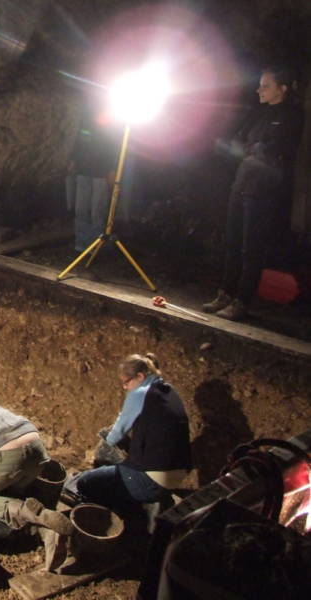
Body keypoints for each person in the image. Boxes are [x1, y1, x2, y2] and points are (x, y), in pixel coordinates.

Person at [203, 65, 304, 321]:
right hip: (241, 184)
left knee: (252, 248)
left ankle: (242, 301)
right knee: (233, 242)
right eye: (260, 84)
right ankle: (225, 293)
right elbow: (242, 142)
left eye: (266, 86)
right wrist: (253, 148)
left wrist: (254, 149)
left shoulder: (292, 116)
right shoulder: (259, 113)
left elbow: (274, 149)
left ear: (282, 89)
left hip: (263, 191)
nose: (259, 89)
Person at [74, 353, 191, 515]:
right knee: (119, 468)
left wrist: (108, 435)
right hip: (175, 476)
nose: (124, 387)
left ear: (140, 376)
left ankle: (112, 522)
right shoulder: (169, 390)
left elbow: (115, 436)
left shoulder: (140, 393)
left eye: (126, 382)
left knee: (86, 482)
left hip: (151, 480)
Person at [67, 106, 117, 252]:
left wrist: (112, 170)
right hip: (84, 171)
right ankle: (81, 244)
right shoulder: (87, 124)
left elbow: (114, 150)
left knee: (97, 210)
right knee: (81, 209)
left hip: (100, 174)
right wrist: (73, 161)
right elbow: (79, 143)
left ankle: (96, 245)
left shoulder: (112, 129)